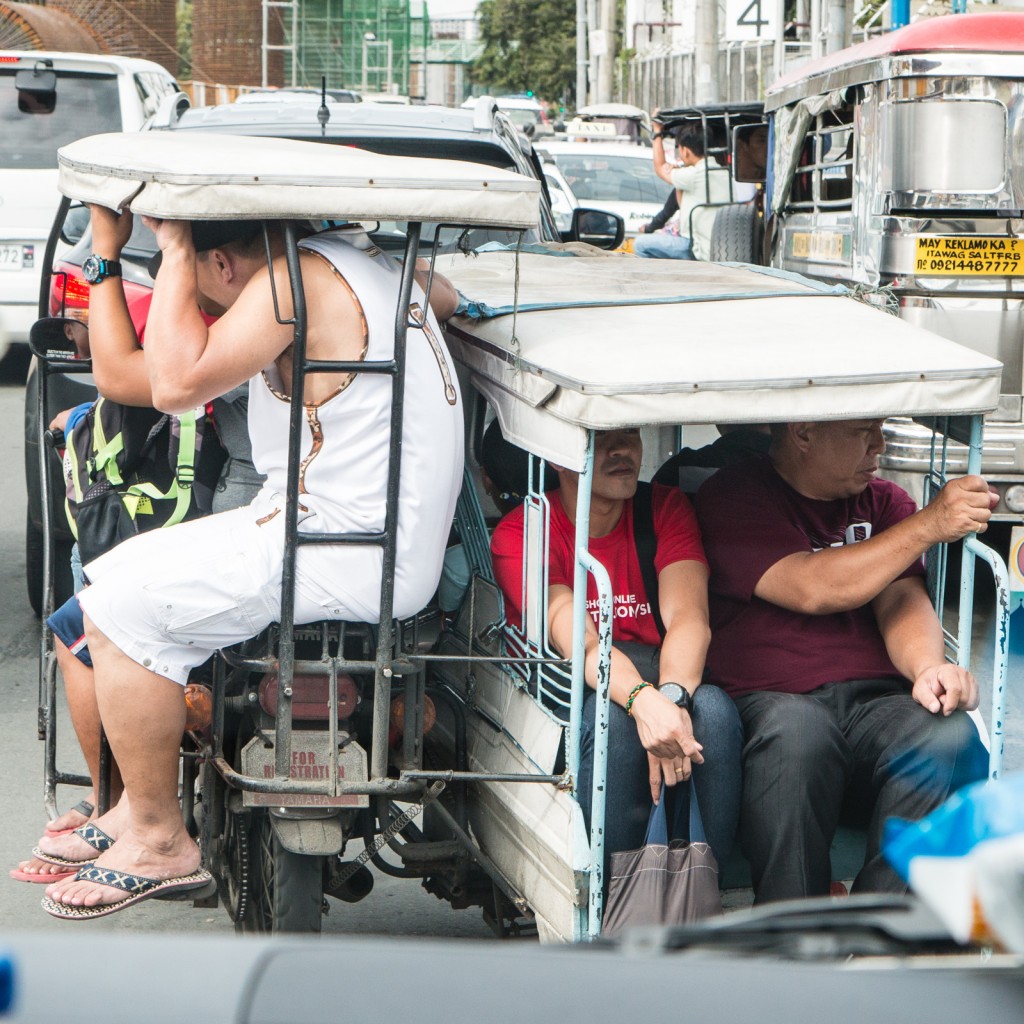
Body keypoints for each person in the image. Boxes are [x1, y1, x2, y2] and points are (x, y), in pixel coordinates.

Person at [40, 210, 462, 920]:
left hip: (341, 543)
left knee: (117, 608)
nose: (204, 310)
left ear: (225, 264)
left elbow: (175, 387)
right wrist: (116, 257)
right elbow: (444, 295)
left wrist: (173, 245)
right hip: (351, 534)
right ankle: (134, 809)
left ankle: (158, 835)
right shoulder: (367, 268)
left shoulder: (286, 285)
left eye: (202, 287)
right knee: (108, 577)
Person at [693, 419, 994, 904]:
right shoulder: (733, 494)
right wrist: (930, 523)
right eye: (862, 431)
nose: (880, 444)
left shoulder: (886, 502)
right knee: (800, 737)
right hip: (774, 701)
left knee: (951, 737)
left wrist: (928, 670)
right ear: (804, 433)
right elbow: (813, 586)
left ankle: (881, 933)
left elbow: (901, 600)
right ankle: (796, 943)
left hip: (873, 703)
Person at [490, 428, 742, 876]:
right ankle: (614, 904)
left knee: (716, 714)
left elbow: (689, 618)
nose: (622, 449)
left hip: (666, 672)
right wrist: (642, 702)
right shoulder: (525, 530)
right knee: (617, 729)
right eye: (601, 438)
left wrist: (671, 701)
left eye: (628, 432)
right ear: (557, 454)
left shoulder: (663, 507)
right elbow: (581, 640)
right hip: (578, 685)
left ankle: (702, 893)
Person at [633, 126, 732, 261]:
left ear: (685, 151)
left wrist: (657, 132)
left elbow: (659, 168)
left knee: (640, 245)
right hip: (721, 248)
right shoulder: (725, 173)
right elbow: (682, 204)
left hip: (696, 248)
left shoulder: (693, 175)